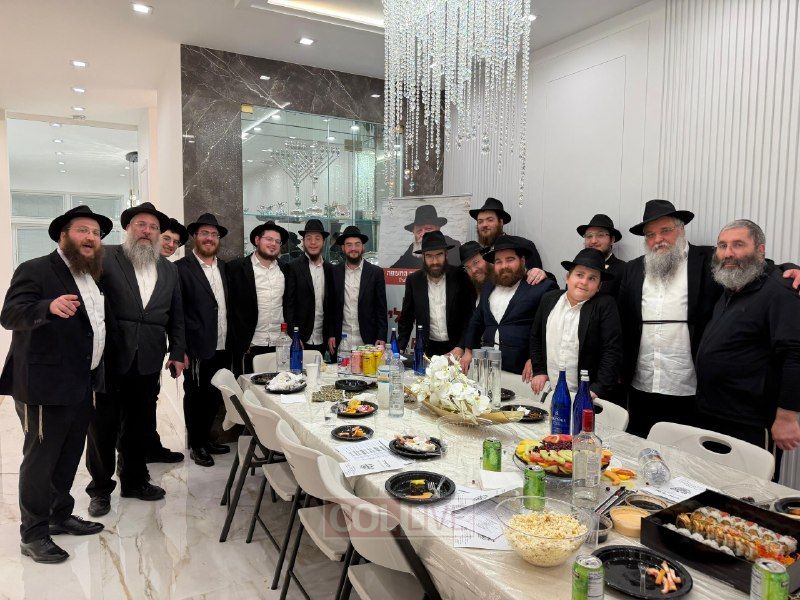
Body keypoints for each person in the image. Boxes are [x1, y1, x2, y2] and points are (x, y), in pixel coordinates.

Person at [618, 199, 800, 437]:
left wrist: (790, 269)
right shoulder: (632, 269)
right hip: (642, 385)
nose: (658, 239)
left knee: (686, 452)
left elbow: (750, 266)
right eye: (650, 235)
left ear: (681, 229)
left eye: (665, 231)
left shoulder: (708, 258)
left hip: (692, 389)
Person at [0, 206, 110, 563]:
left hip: (81, 383)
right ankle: (32, 534)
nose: (90, 237)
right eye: (82, 230)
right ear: (63, 235)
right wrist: (47, 307)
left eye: (96, 233)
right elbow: (10, 315)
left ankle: (59, 515)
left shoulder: (89, 275)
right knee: (40, 461)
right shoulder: (35, 269)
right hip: (44, 385)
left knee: (68, 456)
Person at [85, 202, 186, 517]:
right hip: (110, 356)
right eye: (141, 224)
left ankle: (134, 480)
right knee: (103, 426)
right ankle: (100, 489)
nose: (147, 231)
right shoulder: (105, 256)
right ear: (128, 228)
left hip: (150, 357)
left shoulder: (169, 269)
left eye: (153, 227)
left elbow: (177, 315)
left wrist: (177, 352)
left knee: (139, 424)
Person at [695, 220, 800, 476]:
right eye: (722, 246)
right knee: (716, 485)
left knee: (750, 492)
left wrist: (787, 417)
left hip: (751, 421)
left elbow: (795, 355)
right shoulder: (731, 285)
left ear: (760, 250)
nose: (728, 253)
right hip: (715, 412)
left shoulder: (780, 291)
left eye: (738, 245)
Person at [529, 248, 623, 402]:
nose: (584, 282)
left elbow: (611, 351)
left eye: (592, 278)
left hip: (587, 395)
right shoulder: (549, 299)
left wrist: (596, 389)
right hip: (552, 390)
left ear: (599, 286)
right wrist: (539, 370)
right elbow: (536, 337)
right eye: (579, 275)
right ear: (568, 277)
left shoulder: (605, 305)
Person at [176, 213, 231, 468]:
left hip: (222, 344)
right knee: (195, 396)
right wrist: (181, 349)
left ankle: (207, 439)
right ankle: (196, 444)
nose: (210, 238)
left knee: (214, 394)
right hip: (196, 346)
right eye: (205, 233)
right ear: (195, 237)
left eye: (214, 234)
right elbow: (176, 313)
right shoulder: (181, 268)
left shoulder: (224, 268)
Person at [461, 236, 557, 375]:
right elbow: (476, 321)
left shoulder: (541, 287)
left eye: (510, 259)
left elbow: (550, 330)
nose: (504, 266)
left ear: (522, 260)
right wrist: (468, 351)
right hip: (489, 369)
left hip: (523, 372)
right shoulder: (488, 287)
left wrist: (536, 359)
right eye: (498, 261)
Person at [227, 221, 290, 376]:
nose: (273, 244)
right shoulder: (235, 268)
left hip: (279, 345)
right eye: (269, 239)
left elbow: (290, 305)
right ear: (257, 240)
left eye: (277, 241)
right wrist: (240, 340)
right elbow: (229, 307)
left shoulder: (286, 270)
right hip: (250, 346)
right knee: (249, 389)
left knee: (281, 386)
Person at [397, 231, 475, 356]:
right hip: (428, 349)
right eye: (429, 256)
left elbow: (470, 316)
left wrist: (461, 346)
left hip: (457, 349)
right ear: (423, 257)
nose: (434, 262)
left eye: (439, 255)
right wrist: (399, 348)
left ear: (446, 254)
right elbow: (407, 318)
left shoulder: (461, 277)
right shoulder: (414, 280)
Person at [329, 225, 388, 355]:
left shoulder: (375, 273)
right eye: (349, 245)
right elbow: (330, 307)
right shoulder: (334, 272)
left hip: (368, 341)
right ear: (343, 248)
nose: (353, 248)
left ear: (363, 247)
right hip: (342, 340)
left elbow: (381, 308)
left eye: (357, 244)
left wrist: (381, 336)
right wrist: (331, 334)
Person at [284, 219, 335, 355]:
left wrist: (331, 333)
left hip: (323, 339)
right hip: (300, 339)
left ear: (323, 242)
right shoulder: (293, 267)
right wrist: (294, 336)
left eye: (317, 238)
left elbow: (332, 306)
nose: (313, 242)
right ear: (303, 241)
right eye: (309, 238)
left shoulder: (330, 269)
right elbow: (288, 306)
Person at [470, 197, 544, 274]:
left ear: (501, 222)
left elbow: (537, 278)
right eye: (480, 221)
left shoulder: (523, 246)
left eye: (490, 220)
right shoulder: (479, 255)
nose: (484, 225)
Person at [390, 204, 461, 268]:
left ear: (438, 229)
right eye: (419, 231)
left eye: (428, 229)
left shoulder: (453, 246)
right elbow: (394, 270)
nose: (423, 234)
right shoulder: (413, 248)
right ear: (414, 233)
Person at [576, 214, 626, 298]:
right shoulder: (577, 267)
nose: (593, 241)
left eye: (600, 235)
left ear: (612, 240)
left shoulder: (624, 270)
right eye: (589, 236)